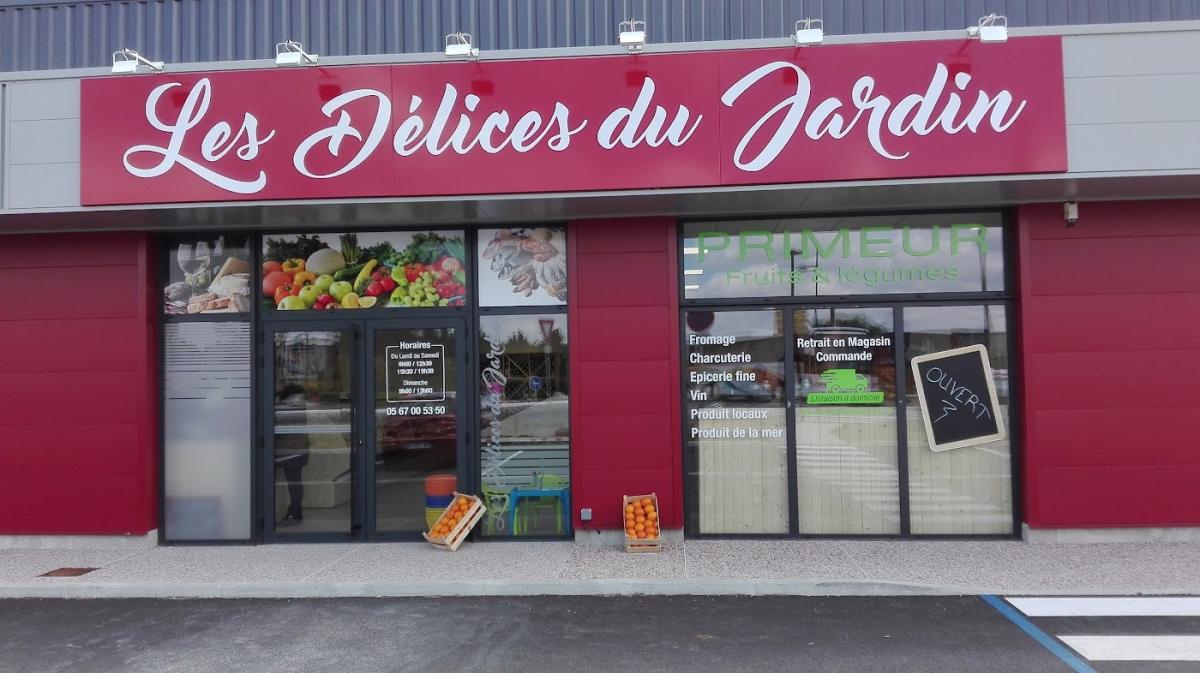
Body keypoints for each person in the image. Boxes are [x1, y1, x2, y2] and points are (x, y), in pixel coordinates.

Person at [275, 384, 310, 527]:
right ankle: (296, 513)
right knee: (295, 483)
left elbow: (278, 426)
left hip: (286, 452)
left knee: (293, 484)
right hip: (299, 450)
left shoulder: (285, 407)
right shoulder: (301, 406)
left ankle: (293, 514)